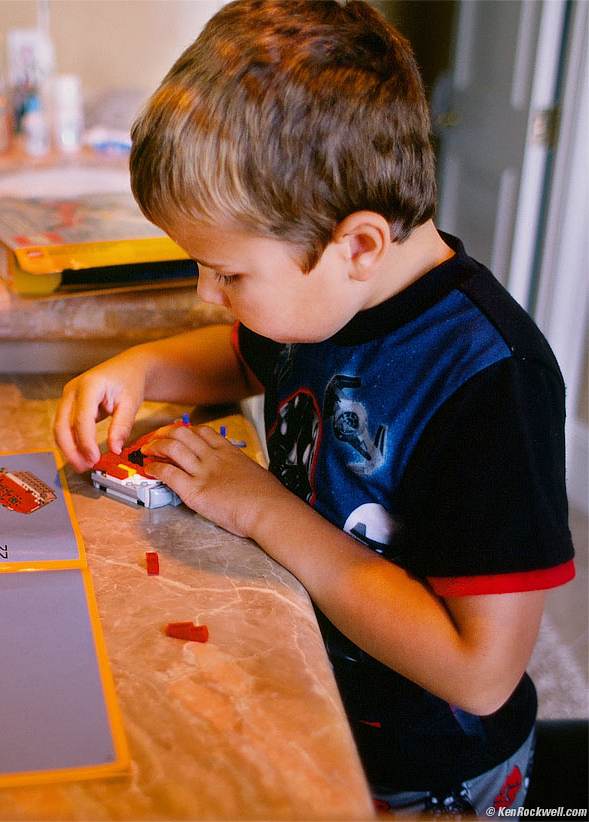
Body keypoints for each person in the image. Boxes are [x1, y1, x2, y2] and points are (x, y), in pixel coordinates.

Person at [53, 1, 576, 815]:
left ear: (358, 245)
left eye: (227, 275)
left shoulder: (492, 380)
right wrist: (142, 368)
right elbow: (243, 354)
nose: (207, 294)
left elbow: (480, 671)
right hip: (321, 695)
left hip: (431, 772)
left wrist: (264, 511)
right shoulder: (331, 297)